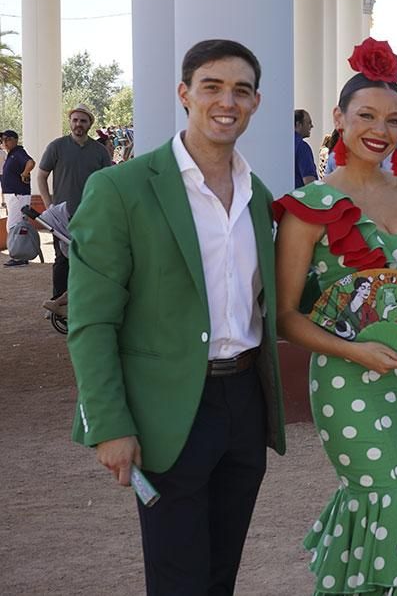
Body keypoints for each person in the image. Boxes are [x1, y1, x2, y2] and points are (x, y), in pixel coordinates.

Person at [66, 39, 287, 595]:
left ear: (257, 102)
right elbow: (91, 322)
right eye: (211, 86)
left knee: (220, 574)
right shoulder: (121, 188)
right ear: (184, 93)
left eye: (241, 90)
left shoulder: (258, 195)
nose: (226, 101)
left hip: (244, 406)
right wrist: (110, 423)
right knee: (177, 578)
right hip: (166, 409)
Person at [275, 37, 397, 594]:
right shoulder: (309, 206)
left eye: (394, 119)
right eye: (365, 116)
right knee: (388, 496)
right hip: (347, 381)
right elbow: (287, 317)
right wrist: (354, 349)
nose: (379, 130)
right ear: (339, 118)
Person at [36, 104, 111, 302]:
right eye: (75, 120)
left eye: (83, 121)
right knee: (62, 260)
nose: (78, 124)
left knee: (88, 260)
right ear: (70, 122)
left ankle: (83, 303)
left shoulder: (100, 151)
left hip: (91, 215)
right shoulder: (56, 147)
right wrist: (49, 206)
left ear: (89, 124)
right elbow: (41, 176)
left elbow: (108, 182)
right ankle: (57, 303)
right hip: (62, 216)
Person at [2, 129, 35, 266]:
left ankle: (19, 256)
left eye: (6, 139)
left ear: (14, 140)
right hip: (14, 195)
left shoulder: (19, 153)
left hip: (18, 195)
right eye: (3, 140)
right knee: (15, 225)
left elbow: (31, 162)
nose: (4, 142)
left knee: (14, 226)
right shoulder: (11, 154)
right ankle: (21, 254)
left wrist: (25, 173)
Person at [293, 109, 319, 188]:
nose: (311, 126)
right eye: (308, 123)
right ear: (298, 124)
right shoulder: (302, 147)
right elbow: (309, 181)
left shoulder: (286, 145)